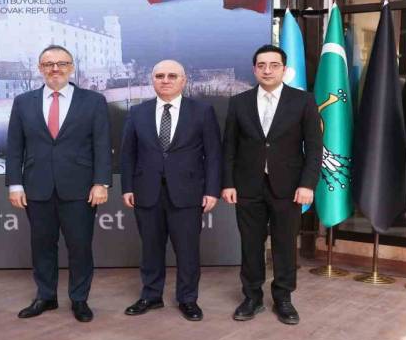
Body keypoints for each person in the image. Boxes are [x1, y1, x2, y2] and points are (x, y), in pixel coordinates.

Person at [6, 45, 111, 322]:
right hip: (36, 188)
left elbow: (102, 145)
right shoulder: (23, 102)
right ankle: (46, 296)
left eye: (62, 63)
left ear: (72, 67)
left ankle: (79, 299)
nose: (55, 69)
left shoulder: (93, 101)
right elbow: (15, 147)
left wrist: (101, 182)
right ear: (40, 68)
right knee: (42, 246)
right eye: (48, 64)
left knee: (80, 247)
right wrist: (15, 184)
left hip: (80, 189)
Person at [222, 45, 322, 325]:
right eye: (261, 65)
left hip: (289, 188)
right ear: (254, 69)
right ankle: (252, 297)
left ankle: (283, 298)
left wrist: (307, 184)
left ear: (284, 69)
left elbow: (315, 147)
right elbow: (229, 147)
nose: (267, 70)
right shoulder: (239, 102)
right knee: (250, 244)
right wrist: (228, 183)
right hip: (247, 186)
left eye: (274, 65)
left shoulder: (303, 101)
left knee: (285, 244)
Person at [120, 60, 221, 321]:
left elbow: (213, 155)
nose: (165, 80)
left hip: (187, 193)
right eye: (160, 76)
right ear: (152, 80)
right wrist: (127, 187)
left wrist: (212, 190)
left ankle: (188, 299)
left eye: (172, 76)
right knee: (151, 249)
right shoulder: (137, 112)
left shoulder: (202, 111)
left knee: (187, 251)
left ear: (183, 80)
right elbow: (128, 153)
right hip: (146, 192)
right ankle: (151, 296)